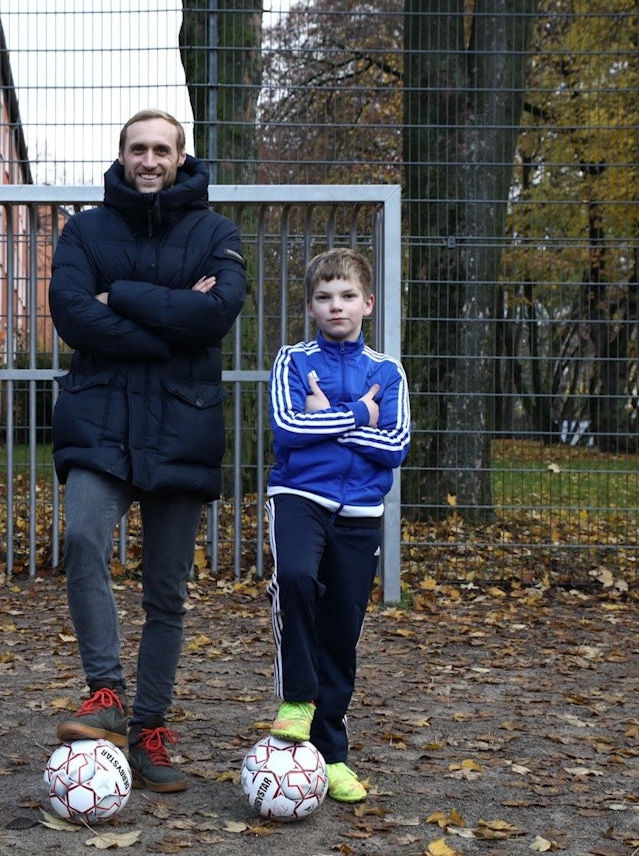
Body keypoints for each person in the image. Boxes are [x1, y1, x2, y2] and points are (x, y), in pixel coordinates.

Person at [48, 109, 247, 793]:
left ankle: (150, 728)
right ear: (121, 155)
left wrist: (124, 298)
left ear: (180, 156)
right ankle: (104, 693)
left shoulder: (215, 232)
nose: (149, 159)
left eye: (162, 149)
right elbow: (73, 314)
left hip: (181, 425)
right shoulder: (84, 229)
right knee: (81, 537)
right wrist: (167, 325)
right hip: (99, 419)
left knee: (167, 591)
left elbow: (217, 313)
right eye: (138, 149)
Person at [263, 247, 410, 803]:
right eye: (324, 298)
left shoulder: (387, 371)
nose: (336, 306)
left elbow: (394, 446)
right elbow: (287, 428)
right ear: (310, 307)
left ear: (368, 303)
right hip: (300, 497)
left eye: (347, 295)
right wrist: (357, 417)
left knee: (343, 630)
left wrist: (324, 418)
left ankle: (331, 753)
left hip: (361, 512)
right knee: (297, 580)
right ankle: (297, 701)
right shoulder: (293, 362)